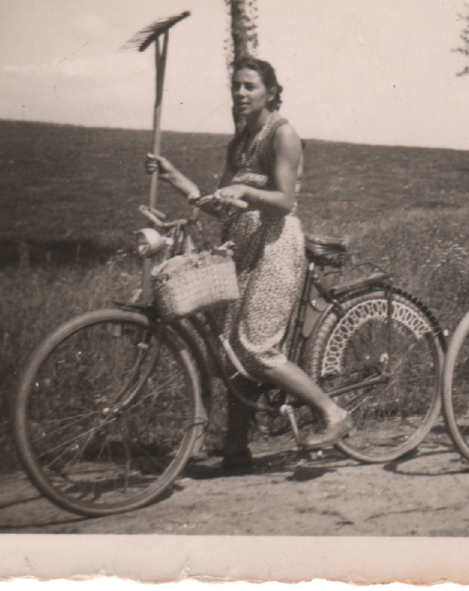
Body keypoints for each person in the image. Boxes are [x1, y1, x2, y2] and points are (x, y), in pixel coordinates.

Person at [145, 56, 352, 472]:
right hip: (240, 248)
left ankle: (334, 413)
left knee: (256, 350)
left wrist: (244, 190)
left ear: (271, 92)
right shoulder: (239, 143)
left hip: (275, 247)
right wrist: (175, 179)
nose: (240, 93)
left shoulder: (283, 134)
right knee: (229, 349)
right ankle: (237, 448)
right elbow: (221, 205)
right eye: (235, 86)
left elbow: (285, 200)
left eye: (249, 86)